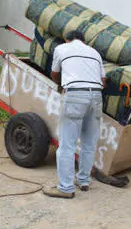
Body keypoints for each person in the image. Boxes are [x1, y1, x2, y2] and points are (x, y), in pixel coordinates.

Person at [43, 30, 106, 199]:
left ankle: (65, 188)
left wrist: (62, 84)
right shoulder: (95, 53)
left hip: (75, 95)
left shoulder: (62, 48)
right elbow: (103, 80)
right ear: (84, 41)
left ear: (67, 39)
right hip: (97, 96)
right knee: (89, 142)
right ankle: (83, 181)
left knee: (67, 144)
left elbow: (55, 73)